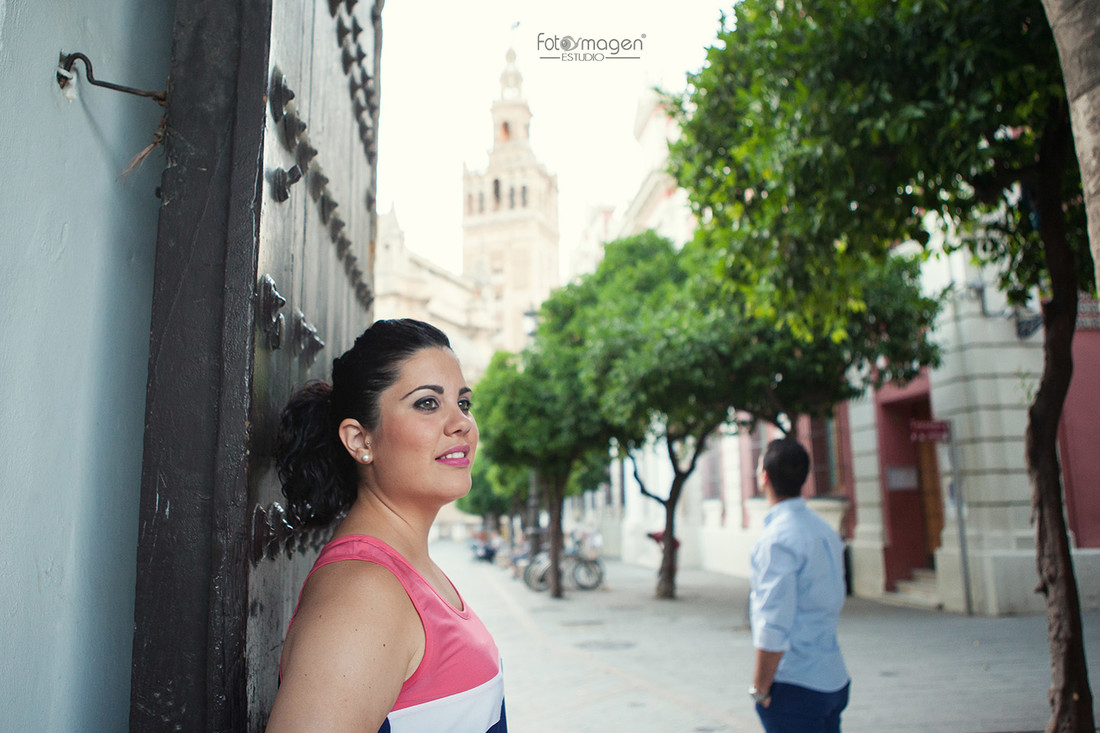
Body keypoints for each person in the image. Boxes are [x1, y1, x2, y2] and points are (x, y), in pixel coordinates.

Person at [266, 318, 507, 733]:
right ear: (361, 440)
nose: (462, 423)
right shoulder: (363, 594)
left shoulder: (409, 569)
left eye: (463, 403)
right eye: (427, 403)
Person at [749, 438, 850, 733]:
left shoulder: (776, 540)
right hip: (833, 678)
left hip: (796, 686)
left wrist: (760, 688)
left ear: (765, 477)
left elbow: (773, 625)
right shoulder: (823, 529)